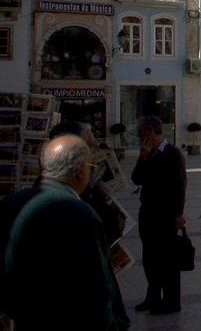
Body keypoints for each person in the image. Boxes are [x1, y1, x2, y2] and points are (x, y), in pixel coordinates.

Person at [0, 135, 130, 330]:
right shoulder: (80, 215)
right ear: (79, 171)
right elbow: (96, 288)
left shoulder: (10, 204)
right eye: (90, 168)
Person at [131, 115, 187, 315]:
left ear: (152, 132)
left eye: (143, 135)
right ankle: (152, 296)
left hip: (166, 215)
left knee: (168, 261)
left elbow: (180, 186)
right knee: (150, 258)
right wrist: (143, 157)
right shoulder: (147, 154)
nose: (140, 138)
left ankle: (172, 301)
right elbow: (136, 179)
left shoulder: (173, 154)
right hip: (147, 213)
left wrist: (179, 213)